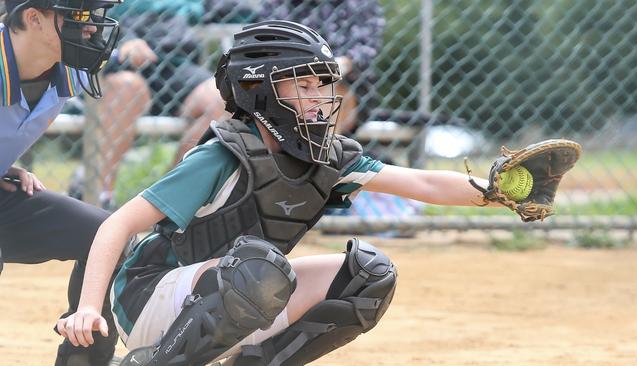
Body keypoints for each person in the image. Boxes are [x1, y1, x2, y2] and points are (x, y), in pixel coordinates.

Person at [56, 21, 499, 366]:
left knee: (368, 275)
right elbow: (119, 223)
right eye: (303, 86)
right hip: (150, 299)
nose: (320, 97)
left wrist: (497, 191)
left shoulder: (327, 155)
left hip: (239, 289)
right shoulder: (223, 155)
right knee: (259, 268)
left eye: (323, 85)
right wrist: (89, 309)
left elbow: (421, 183)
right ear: (259, 90)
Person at [0, 0, 126, 365]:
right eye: (77, 16)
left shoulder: (71, 70)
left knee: (108, 235)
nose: (90, 27)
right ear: (33, 17)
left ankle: (81, 359)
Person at [75, 0, 231, 208]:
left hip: (176, 65)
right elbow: (87, 15)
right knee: (127, 87)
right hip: (123, 60)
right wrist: (124, 40)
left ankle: (165, 199)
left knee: (220, 98)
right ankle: (100, 197)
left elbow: (230, 11)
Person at [257, 0, 385, 135]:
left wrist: (336, 66)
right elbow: (265, 43)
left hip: (345, 81)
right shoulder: (278, 3)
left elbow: (366, 49)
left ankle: (322, 145)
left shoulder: (360, 3)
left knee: (326, 87)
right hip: (286, 74)